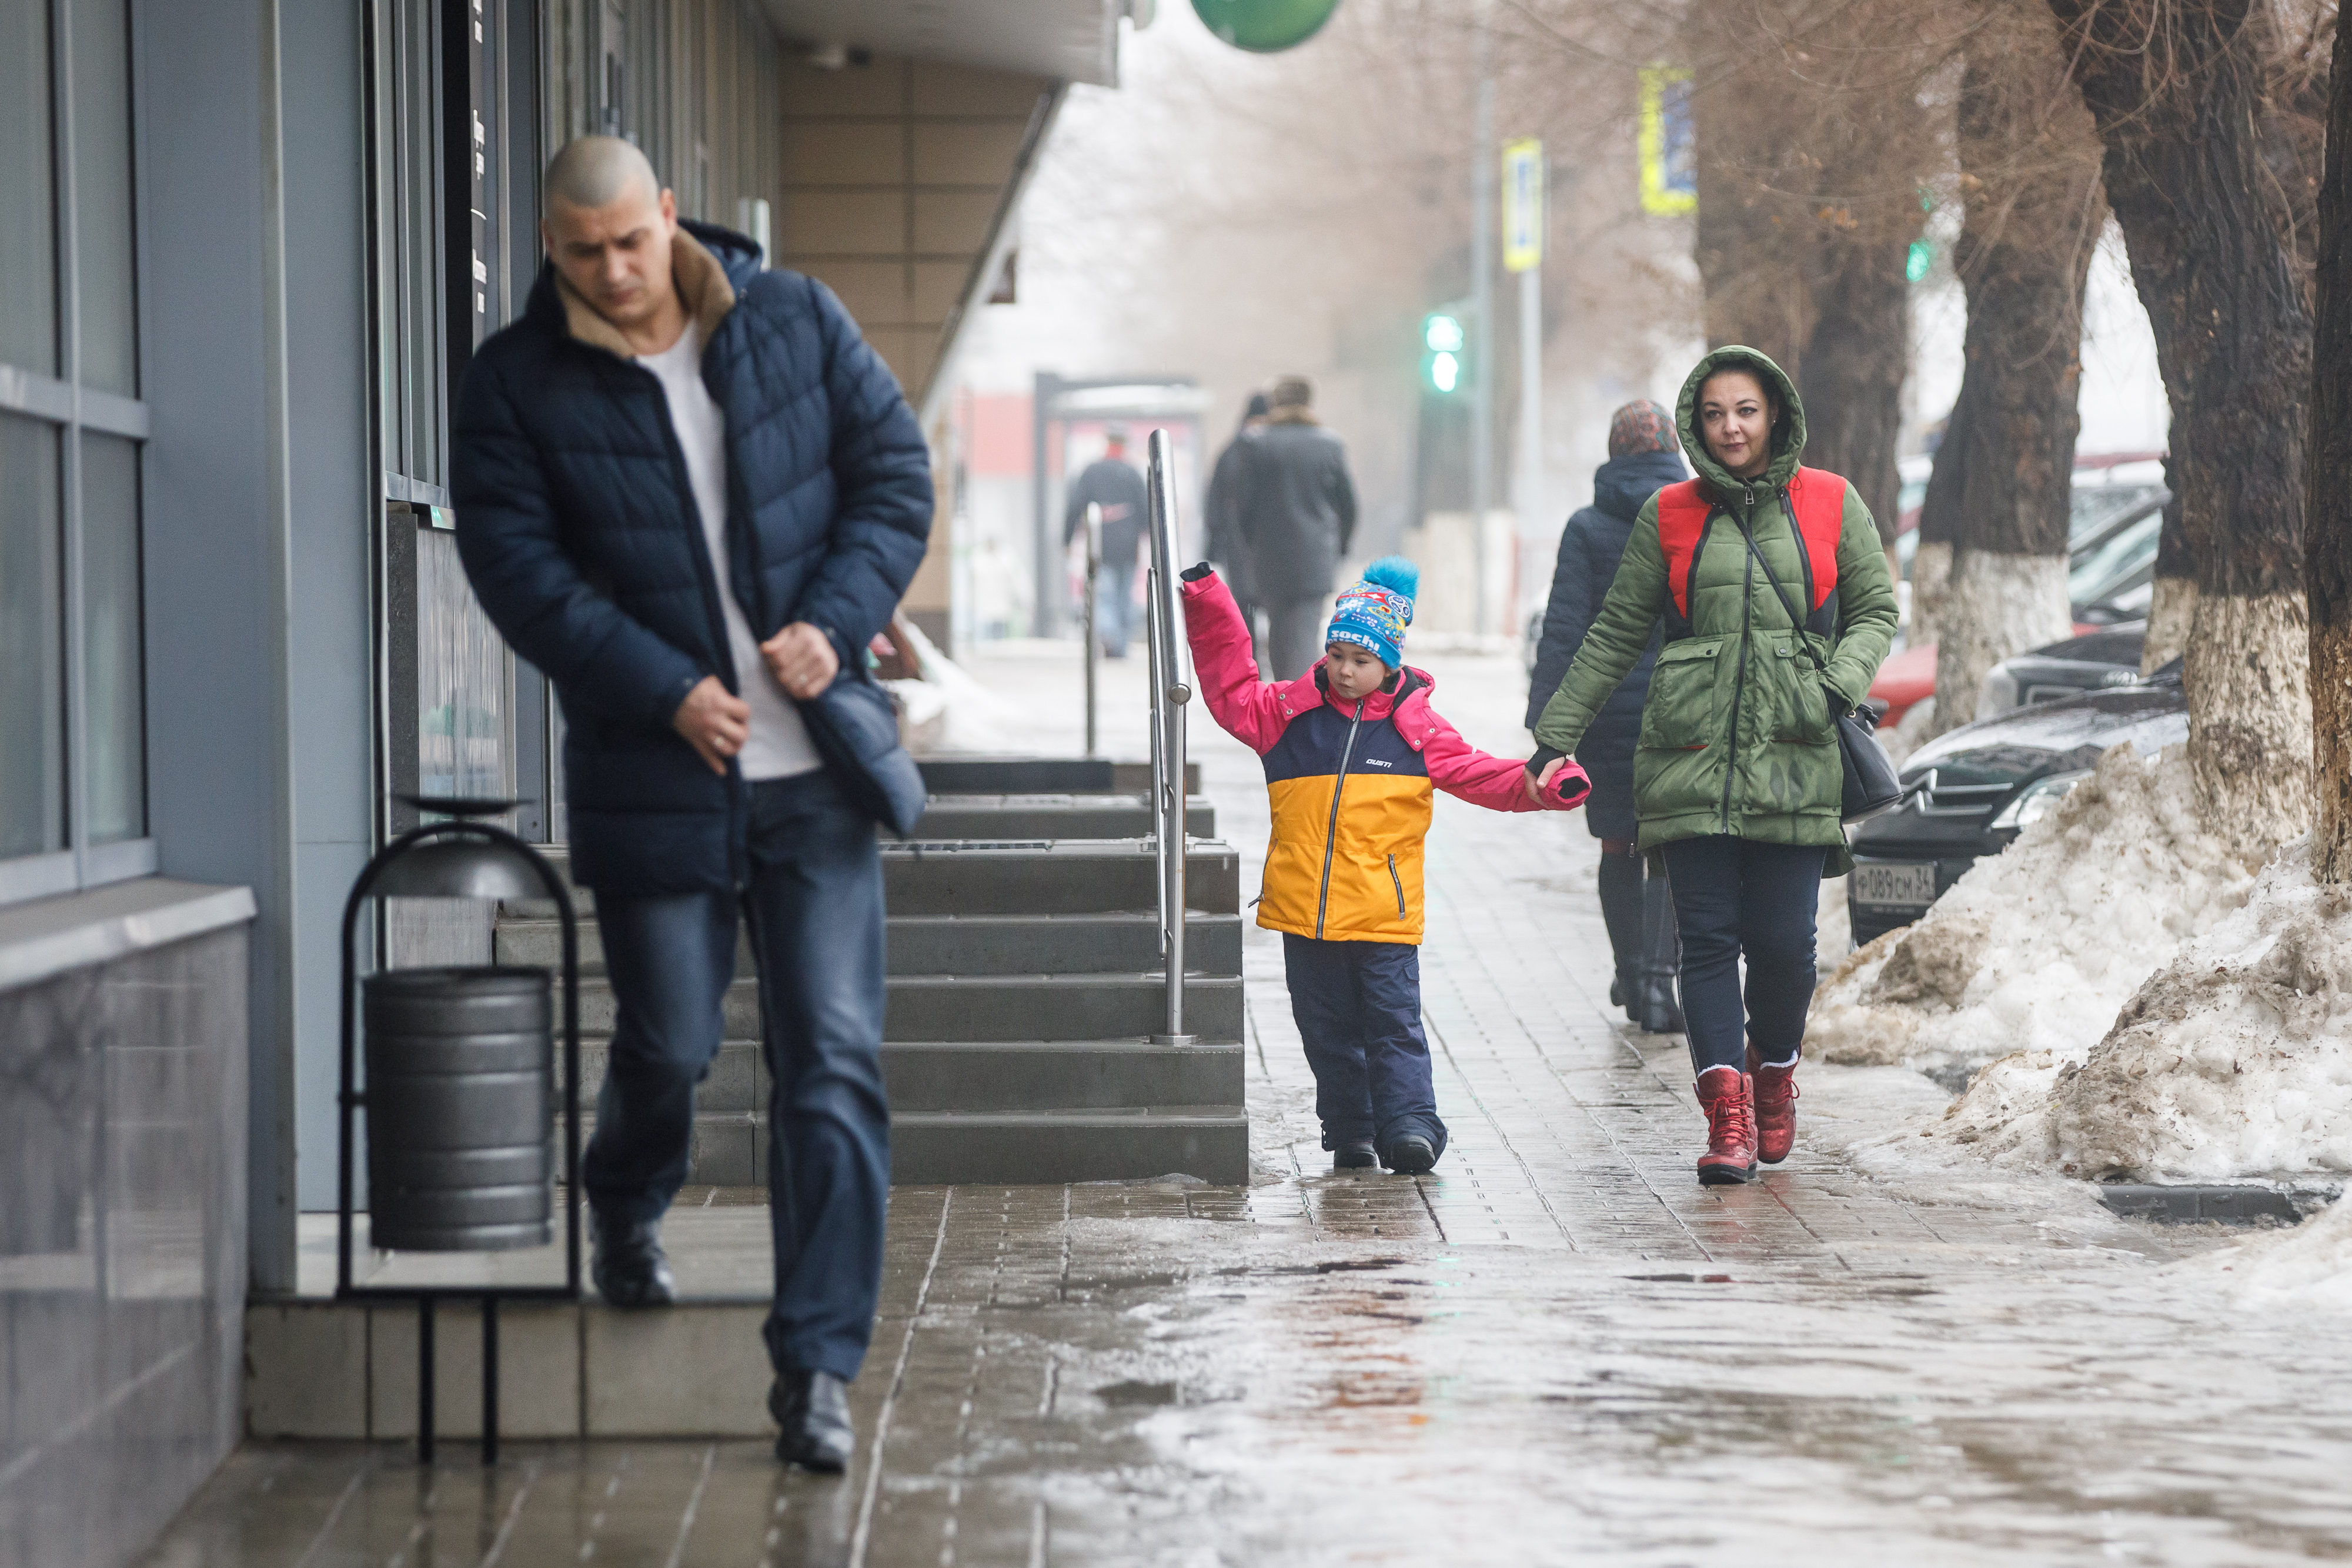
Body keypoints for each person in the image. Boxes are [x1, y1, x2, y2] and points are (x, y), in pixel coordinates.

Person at [452, 136, 933, 1472]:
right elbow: (517, 570)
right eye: (577, 252)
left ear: (670, 216)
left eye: (628, 242)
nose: (610, 273)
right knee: (668, 1043)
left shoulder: (794, 319)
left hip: (816, 773)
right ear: (547, 245)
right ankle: (625, 1196)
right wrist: (666, 689)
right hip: (658, 772)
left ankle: (818, 1371)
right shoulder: (515, 384)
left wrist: (835, 625)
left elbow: (895, 478)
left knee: (830, 1062)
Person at [1526, 348, 1896, 1186]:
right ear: (1697, 424)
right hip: (1687, 750)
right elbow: (1617, 630)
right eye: (1716, 413)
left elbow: (1875, 606)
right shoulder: (1669, 513)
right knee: (1706, 940)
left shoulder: (1833, 500)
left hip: (1797, 750)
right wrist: (1556, 733)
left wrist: (1837, 681)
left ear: (1775, 417)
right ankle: (1726, 1115)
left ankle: (1774, 1075)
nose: (1731, 427)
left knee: (1785, 946)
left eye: (1746, 411)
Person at [1182, 554, 1590, 1173]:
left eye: (1361, 660)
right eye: (1337, 654)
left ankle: (1409, 1128)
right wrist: (1208, 597)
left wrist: (1542, 783)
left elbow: (1481, 774)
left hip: (1382, 918)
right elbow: (1231, 687)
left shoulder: (1415, 731)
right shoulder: (1287, 718)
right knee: (1325, 1032)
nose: (1345, 671)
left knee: (1392, 1027)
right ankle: (1351, 1131)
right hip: (1305, 918)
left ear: (1390, 662)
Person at [1527, 401, 1690, 1035]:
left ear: (1614, 453)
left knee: (1618, 843)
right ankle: (1657, 981)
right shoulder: (1692, 519)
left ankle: (1628, 968)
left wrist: (1549, 729)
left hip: (1606, 713)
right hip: (1682, 711)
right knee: (1671, 847)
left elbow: (1564, 631)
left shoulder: (1587, 526)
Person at [1234, 376, 1358, 680]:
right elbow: (1348, 506)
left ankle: (1287, 700)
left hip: (1271, 556)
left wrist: (1253, 545)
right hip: (1315, 556)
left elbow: (1243, 508)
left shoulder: (1256, 444)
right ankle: (1300, 703)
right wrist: (1338, 547)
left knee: (1278, 632)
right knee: (1304, 632)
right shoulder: (1330, 445)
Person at [1061, 427, 1150, 657]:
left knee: (1105, 594)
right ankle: (1120, 643)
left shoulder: (1092, 472)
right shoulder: (1132, 474)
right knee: (1124, 597)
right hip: (1128, 547)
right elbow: (1146, 513)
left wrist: (1068, 539)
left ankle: (1109, 635)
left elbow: (1075, 506)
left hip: (1100, 545)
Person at [1204, 392, 1271, 664]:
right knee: (1270, 609)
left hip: (1238, 543)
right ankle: (1267, 661)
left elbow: (1214, 500)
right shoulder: (1272, 450)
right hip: (1265, 544)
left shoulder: (1232, 451)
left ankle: (1250, 662)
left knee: (1245, 609)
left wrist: (1216, 538)